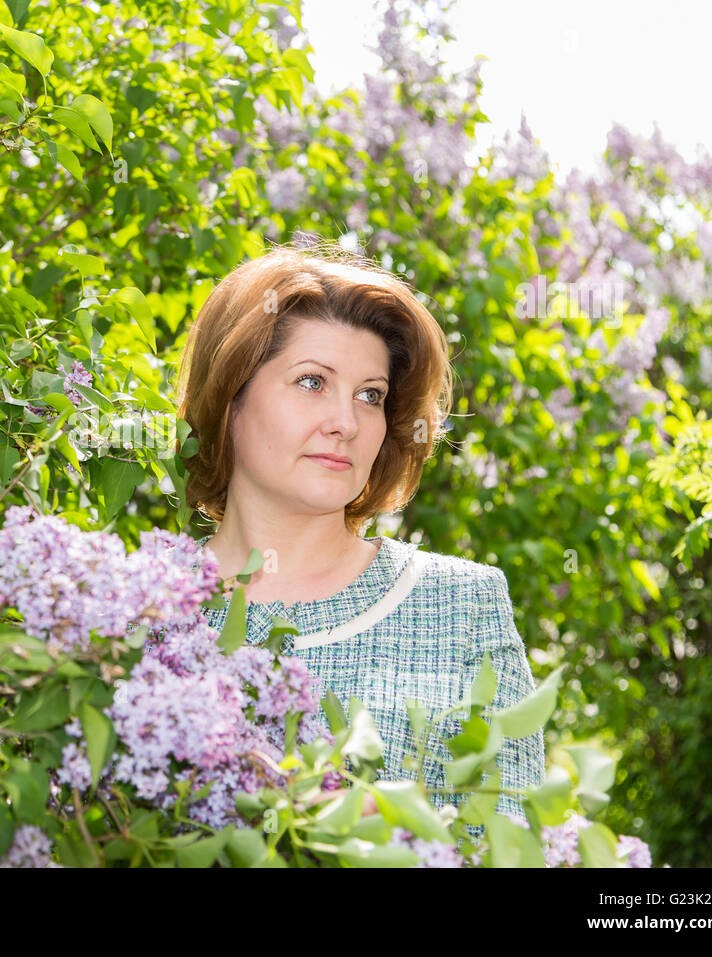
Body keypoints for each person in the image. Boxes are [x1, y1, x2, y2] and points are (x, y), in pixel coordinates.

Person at [176, 240, 546, 842]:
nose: (345, 422)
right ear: (229, 398)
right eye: (312, 382)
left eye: (370, 395)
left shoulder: (461, 605)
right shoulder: (138, 614)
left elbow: (517, 842)